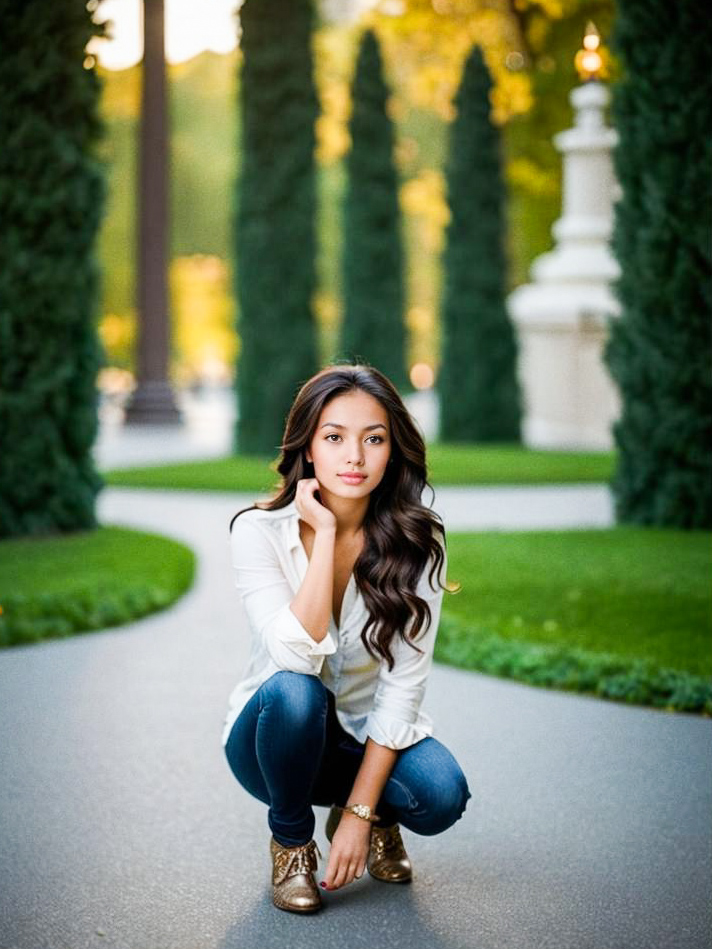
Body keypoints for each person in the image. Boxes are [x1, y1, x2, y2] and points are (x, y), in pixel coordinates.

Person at [222, 363, 472, 914]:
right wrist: (328, 533)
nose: (354, 457)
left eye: (373, 438)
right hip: (272, 741)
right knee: (294, 688)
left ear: (393, 449)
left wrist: (359, 814)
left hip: (360, 738)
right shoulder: (257, 531)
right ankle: (291, 845)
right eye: (334, 437)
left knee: (440, 796)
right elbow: (292, 657)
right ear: (309, 448)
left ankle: (372, 813)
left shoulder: (419, 541)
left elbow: (404, 686)